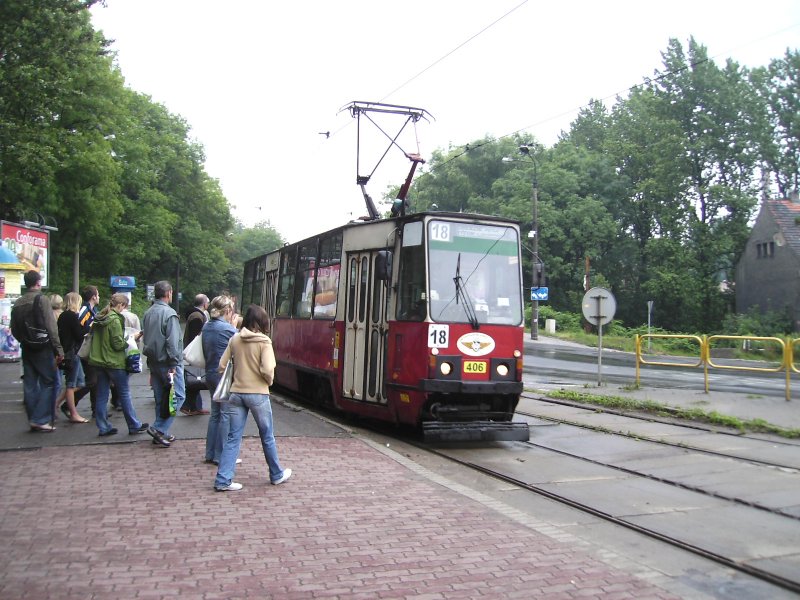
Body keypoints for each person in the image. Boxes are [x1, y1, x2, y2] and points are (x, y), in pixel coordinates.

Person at [214, 304, 291, 492]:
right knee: (267, 436)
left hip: (236, 394)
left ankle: (223, 480)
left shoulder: (235, 339)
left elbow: (221, 366)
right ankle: (276, 474)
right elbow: (267, 369)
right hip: (258, 394)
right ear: (263, 322)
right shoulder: (264, 341)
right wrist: (267, 381)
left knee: (233, 437)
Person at [88, 293, 149, 437]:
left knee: (102, 395)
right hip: (114, 362)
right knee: (124, 393)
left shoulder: (99, 318)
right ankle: (134, 425)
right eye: (124, 307)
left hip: (99, 361)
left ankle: (103, 427)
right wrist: (131, 338)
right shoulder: (114, 320)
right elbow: (117, 344)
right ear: (121, 305)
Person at [10, 270, 64, 432]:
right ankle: (40, 418)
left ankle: (34, 417)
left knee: (30, 383)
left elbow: (14, 329)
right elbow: (51, 326)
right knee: (50, 382)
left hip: (26, 347)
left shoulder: (18, 302)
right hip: (43, 347)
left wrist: (24, 341)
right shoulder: (42, 299)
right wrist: (59, 349)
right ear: (38, 282)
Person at [141, 280, 185, 447]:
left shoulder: (148, 312)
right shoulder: (169, 314)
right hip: (168, 363)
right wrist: (174, 363)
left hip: (153, 362)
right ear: (169, 294)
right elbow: (173, 342)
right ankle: (158, 428)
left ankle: (161, 432)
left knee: (161, 398)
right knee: (178, 396)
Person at [201, 295, 238, 465]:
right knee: (225, 415)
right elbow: (240, 342)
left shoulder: (207, 326)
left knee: (215, 414)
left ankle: (210, 453)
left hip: (209, 373)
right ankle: (221, 454)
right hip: (223, 376)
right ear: (228, 311)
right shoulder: (228, 329)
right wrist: (235, 326)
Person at [56, 292, 89, 423]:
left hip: (67, 351)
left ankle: (56, 403)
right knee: (72, 384)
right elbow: (79, 334)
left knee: (80, 382)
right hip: (72, 352)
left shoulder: (63, 316)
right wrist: (88, 328)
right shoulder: (72, 316)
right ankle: (73, 413)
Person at [73, 285, 100, 416]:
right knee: (92, 380)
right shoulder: (85, 310)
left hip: (91, 349)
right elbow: (79, 328)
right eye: (98, 294)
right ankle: (70, 402)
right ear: (93, 297)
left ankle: (96, 409)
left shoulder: (93, 310)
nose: (99, 297)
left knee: (95, 380)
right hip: (85, 349)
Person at [182, 293, 210, 415]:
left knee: (196, 379)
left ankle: (194, 406)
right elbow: (196, 337)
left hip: (191, 351)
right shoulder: (198, 317)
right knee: (196, 379)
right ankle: (188, 405)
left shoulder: (194, 315)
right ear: (204, 304)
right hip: (195, 352)